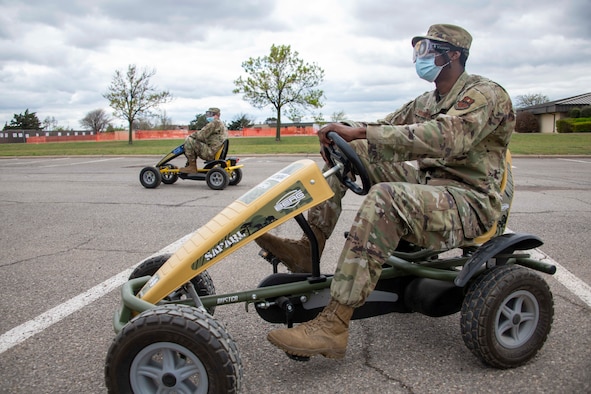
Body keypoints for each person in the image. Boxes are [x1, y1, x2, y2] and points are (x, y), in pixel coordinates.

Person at [257, 24, 516, 359]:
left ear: (453, 55)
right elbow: (387, 127)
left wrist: (362, 133)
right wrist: (346, 131)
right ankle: (310, 250)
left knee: (386, 198)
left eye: (428, 50)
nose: (420, 58)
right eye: (418, 51)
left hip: (470, 201)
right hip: (431, 189)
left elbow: (444, 138)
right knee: (352, 153)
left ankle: (334, 325)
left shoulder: (485, 95)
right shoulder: (427, 100)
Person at [179, 107, 228, 173]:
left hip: (210, 153)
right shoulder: (221, 124)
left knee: (189, 140)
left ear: (217, 115)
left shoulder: (214, 123)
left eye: (211, 114)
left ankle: (192, 167)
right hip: (215, 151)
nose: (209, 116)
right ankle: (189, 165)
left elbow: (200, 135)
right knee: (195, 143)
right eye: (208, 113)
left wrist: (191, 135)